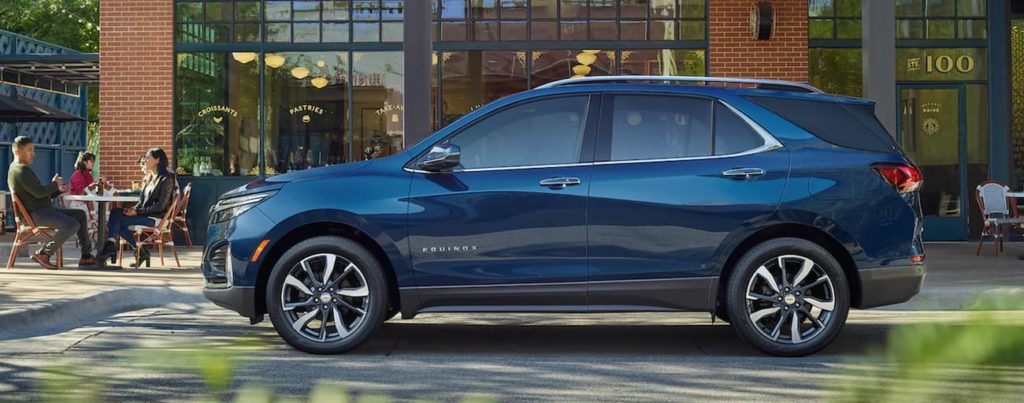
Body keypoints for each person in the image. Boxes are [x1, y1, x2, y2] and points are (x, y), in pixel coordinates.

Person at [6, 136, 97, 269]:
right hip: (35, 214)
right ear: (17, 151)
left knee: (80, 215)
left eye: (33, 150)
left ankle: (86, 256)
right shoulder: (20, 169)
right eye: (29, 150)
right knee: (72, 224)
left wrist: (57, 190)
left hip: (43, 210)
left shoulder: (17, 169)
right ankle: (44, 253)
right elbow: (39, 192)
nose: (33, 154)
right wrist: (55, 184)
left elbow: (38, 194)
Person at [96, 148, 176, 267]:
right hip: (144, 214)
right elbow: (141, 201)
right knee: (116, 212)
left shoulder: (166, 179)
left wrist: (137, 212)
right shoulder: (149, 178)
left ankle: (114, 247)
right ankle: (132, 249)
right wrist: (133, 209)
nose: (145, 160)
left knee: (118, 221)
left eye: (148, 157)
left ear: (157, 160)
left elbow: (161, 206)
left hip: (156, 218)